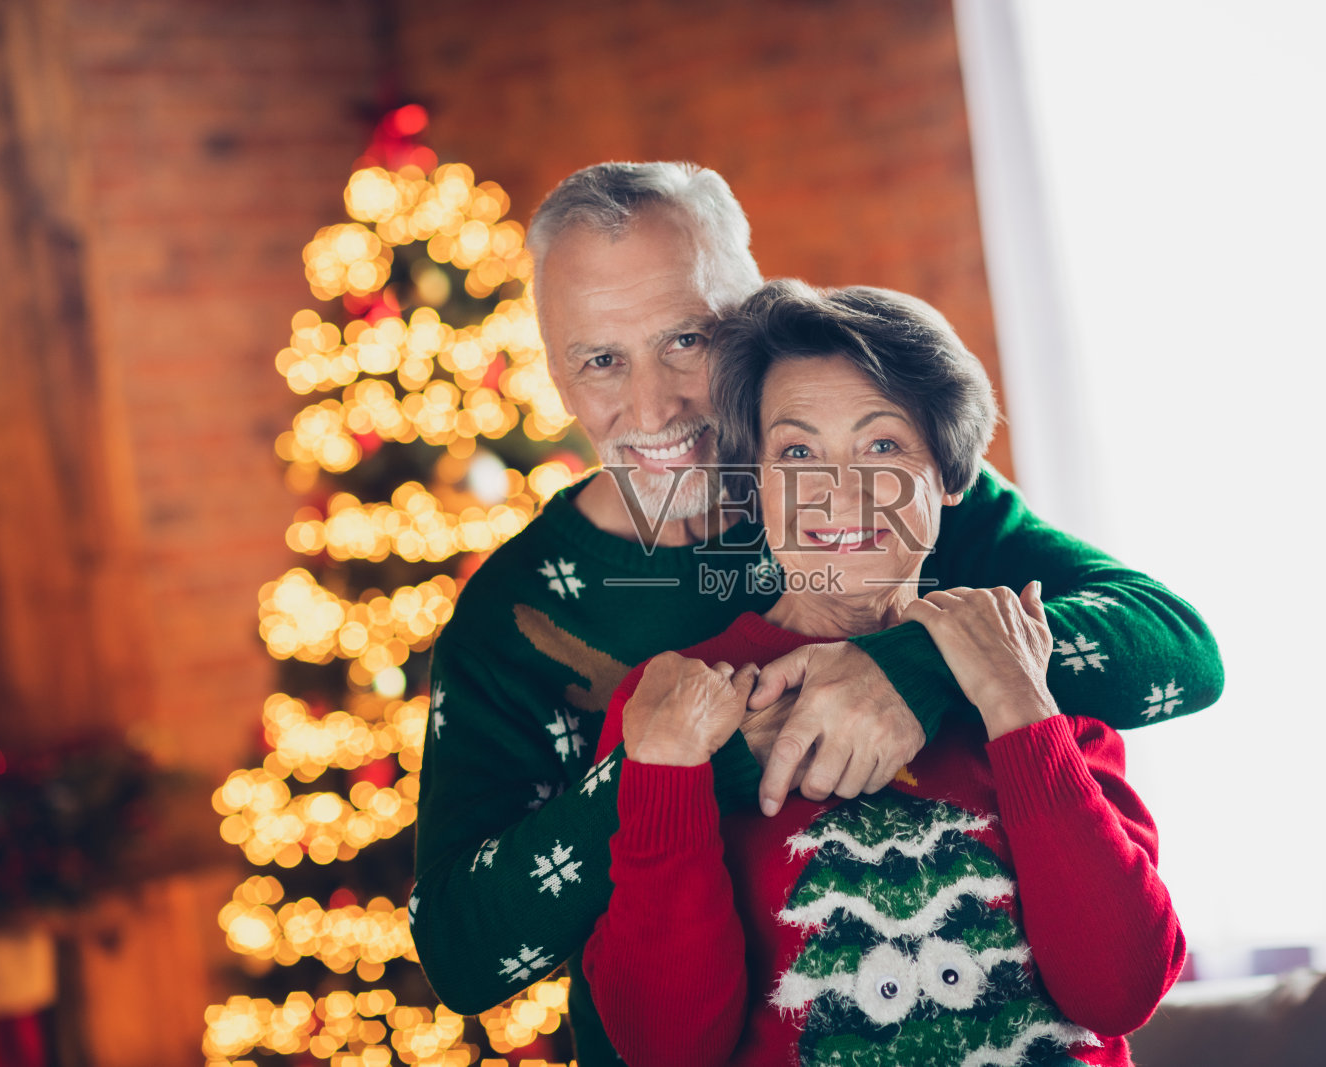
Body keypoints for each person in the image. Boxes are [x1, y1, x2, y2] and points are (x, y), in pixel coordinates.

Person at [408, 163, 1219, 1058]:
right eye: (601, 360)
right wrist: (690, 768)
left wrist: (913, 668)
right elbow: (463, 955)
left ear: (751, 316)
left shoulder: (884, 488)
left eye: (687, 340)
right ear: (558, 376)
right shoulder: (508, 619)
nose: (654, 406)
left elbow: (1179, 649)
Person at [585, 280, 1183, 1065]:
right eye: (797, 452)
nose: (840, 490)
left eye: (883, 446)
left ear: (949, 478)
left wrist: (1018, 706)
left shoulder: (1020, 655)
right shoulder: (674, 701)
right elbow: (663, 1050)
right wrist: (664, 773)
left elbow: (1120, 990)